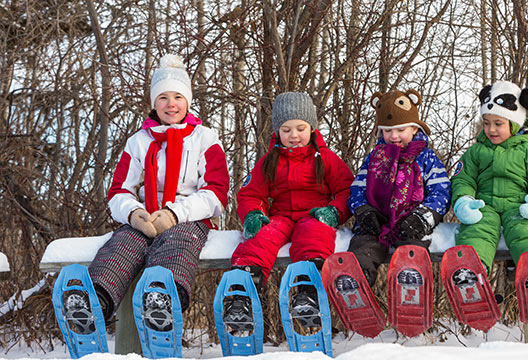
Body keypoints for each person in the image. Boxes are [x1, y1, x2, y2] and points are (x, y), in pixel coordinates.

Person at [64, 54, 230, 334]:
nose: (171, 104)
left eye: (177, 97)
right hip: (147, 216)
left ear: (187, 101)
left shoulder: (205, 138)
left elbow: (216, 193)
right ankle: (94, 301)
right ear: (154, 103)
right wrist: (134, 213)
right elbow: (118, 190)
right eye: (163, 97)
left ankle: (162, 300)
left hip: (189, 218)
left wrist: (176, 213)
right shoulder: (139, 141)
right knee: (123, 244)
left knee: (178, 243)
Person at [226, 92, 354, 328]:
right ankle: (243, 294)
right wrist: (253, 213)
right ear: (277, 132)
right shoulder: (270, 160)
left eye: (300, 128)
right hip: (281, 217)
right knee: (261, 239)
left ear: (312, 128)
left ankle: (308, 292)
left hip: (314, 215)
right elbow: (251, 194)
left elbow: (348, 189)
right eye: (286, 130)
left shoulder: (325, 158)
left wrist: (334, 212)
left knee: (314, 235)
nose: (294, 135)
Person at [450, 80, 528, 278]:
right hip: (485, 206)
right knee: (477, 229)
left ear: (514, 125)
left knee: (526, 229)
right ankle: (473, 272)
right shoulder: (475, 153)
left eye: (498, 124)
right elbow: (463, 179)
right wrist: (463, 201)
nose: (491, 130)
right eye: (487, 123)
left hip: (518, 206)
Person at [347, 89, 451, 287]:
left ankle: (411, 287)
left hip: (412, 223)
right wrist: (363, 211)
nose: (393, 136)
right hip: (376, 223)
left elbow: (441, 192)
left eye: (400, 130)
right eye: (387, 130)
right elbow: (357, 189)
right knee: (363, 248)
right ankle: (356, 285)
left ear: (414, 129)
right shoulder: (374, 158)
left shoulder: (426, 158)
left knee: (412, 251)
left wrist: (423, 217)